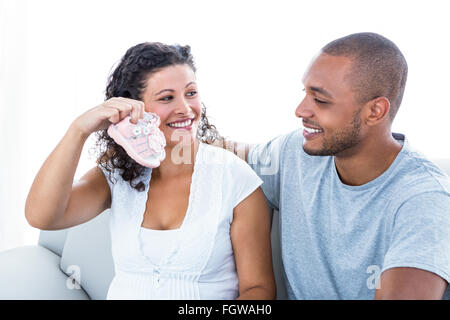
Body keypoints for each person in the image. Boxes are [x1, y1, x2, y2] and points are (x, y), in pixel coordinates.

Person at [25, 42, 276, 300]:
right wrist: (79, 130)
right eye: (167, 98)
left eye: (191, 93)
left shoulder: (235, 178)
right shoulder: (116, 174)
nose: (186, 109)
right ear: (134, 108)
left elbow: (258, 291)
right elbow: (43, 217)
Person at [223, 32, 450, 299]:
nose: (301, 110)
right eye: (305, 93)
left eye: (320, 100)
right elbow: (223, 155)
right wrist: (169, 133)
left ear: (375, 111)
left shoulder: (424, 200)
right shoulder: (294, 154)